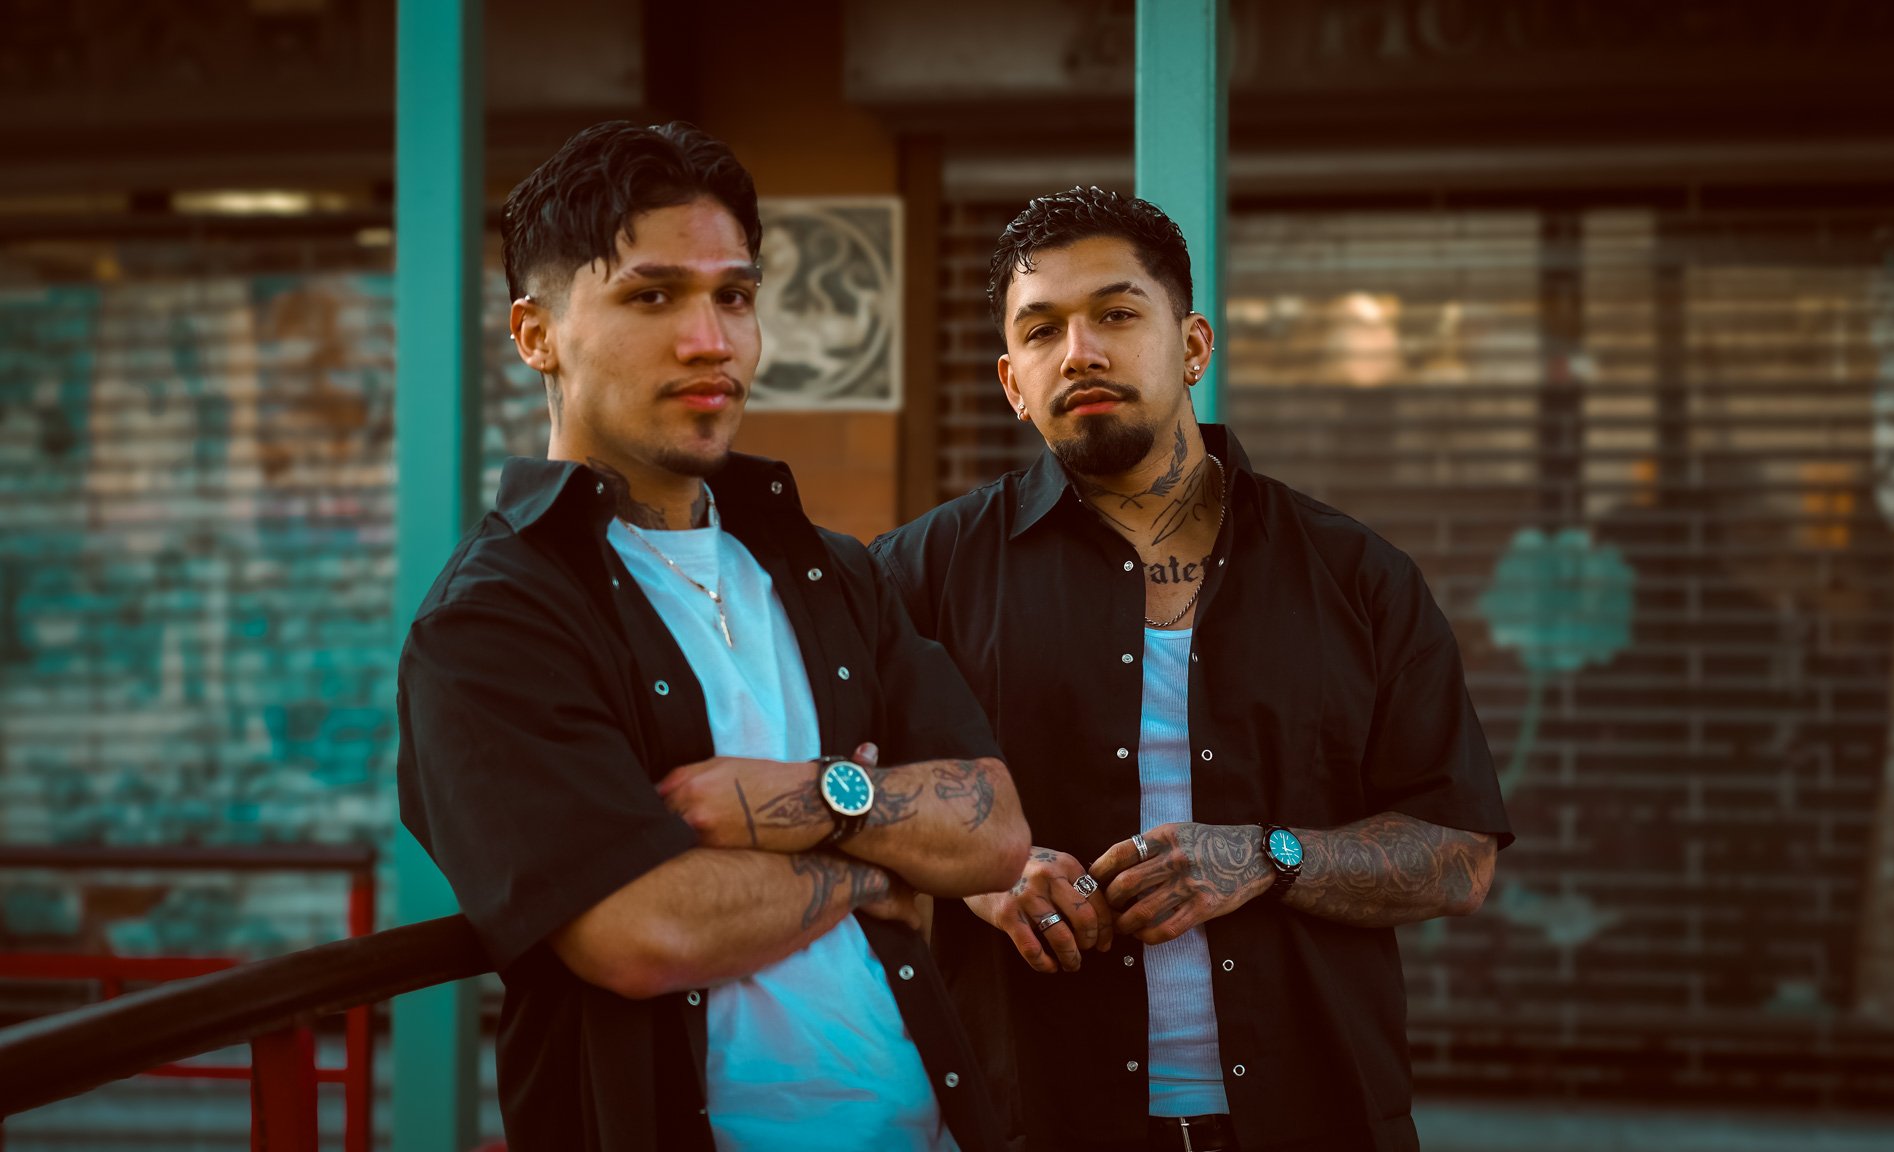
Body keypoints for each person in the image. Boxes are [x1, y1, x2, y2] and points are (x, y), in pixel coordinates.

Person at [395, 121, 1029, 1152]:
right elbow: (643, 931)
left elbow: (993, 829)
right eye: (652, 297)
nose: (711, 340)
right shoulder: (494, 618)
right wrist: (878, 866)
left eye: (733, 295)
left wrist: (798, 801)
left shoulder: (827, 569)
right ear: (533, 334)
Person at [870, 187, 1513, 1152]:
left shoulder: (1355, 575)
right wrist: (981, 872)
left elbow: (1460, 856)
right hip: (1030, 1118)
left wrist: (1269, 857)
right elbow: (842, 794)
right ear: (1013, 382)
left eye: (1118, 315)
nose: (1079, 350)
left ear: (1195, 347)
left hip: (1314, 1116)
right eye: (1042, 330)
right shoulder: (921, 573)